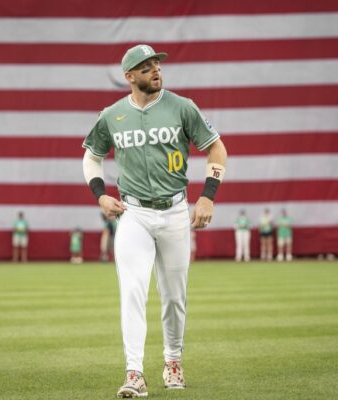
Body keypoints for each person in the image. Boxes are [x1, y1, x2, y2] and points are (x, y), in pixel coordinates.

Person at [82, 44, 227, 398]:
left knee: (174, 296)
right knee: (132, 292)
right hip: (134, 214)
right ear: (129, 76)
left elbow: (216, 149)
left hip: (176, 210)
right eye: (145, 67)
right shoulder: (112, 115)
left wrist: (208, 194)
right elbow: (91, 157)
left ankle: (173, 362)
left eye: (157, 65)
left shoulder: (182, 107)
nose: (155, 71)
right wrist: (100, 194)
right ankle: (134, 373)